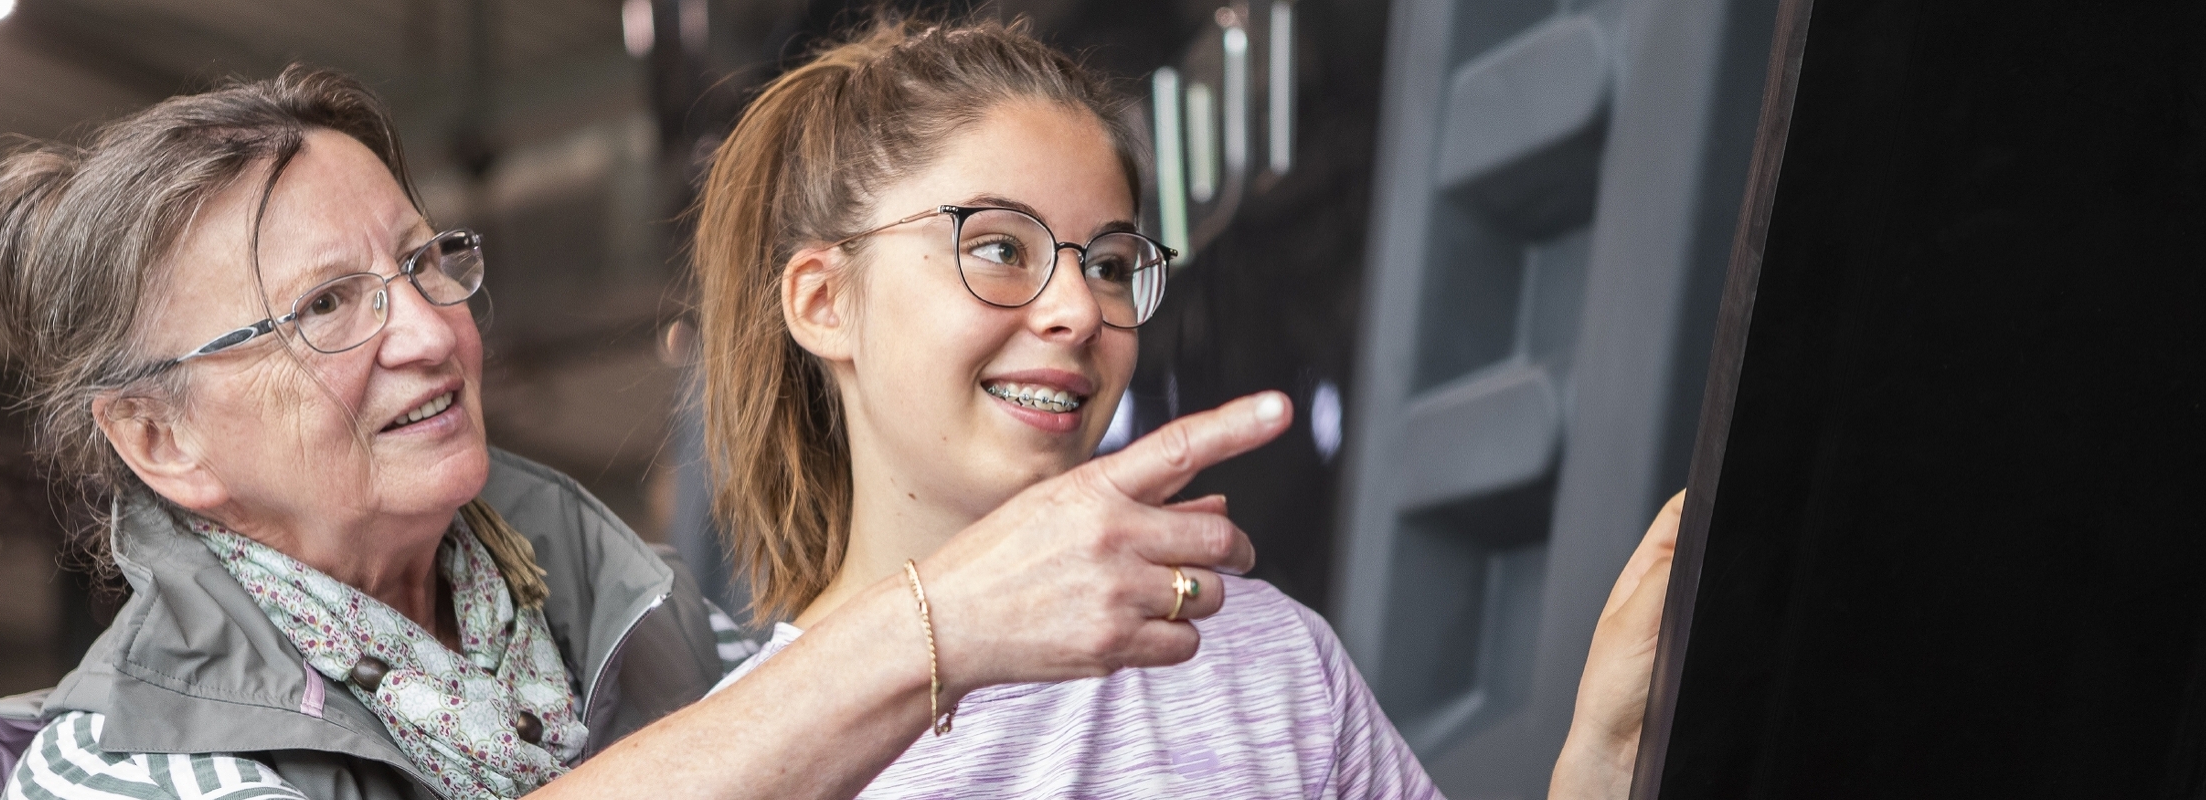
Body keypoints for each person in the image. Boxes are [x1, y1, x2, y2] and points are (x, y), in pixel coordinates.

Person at [0, 43, 1672, 800]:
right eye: (324, 307)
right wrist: (945, 631)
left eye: (425, 260)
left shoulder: (650, 670)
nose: (429, 328)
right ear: (157, 442)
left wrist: (1598, 768)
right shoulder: (126, 773)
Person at [685, 17, 1685, 799]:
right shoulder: (752, 751)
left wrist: (1597, 764)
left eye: (1112, 264)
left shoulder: (1266, 653)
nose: (1081, 309)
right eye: (998, 248)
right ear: (823, 301)